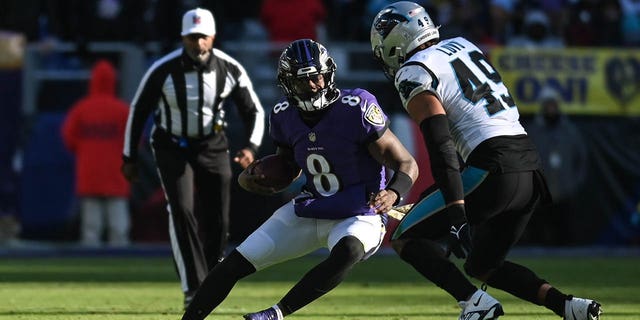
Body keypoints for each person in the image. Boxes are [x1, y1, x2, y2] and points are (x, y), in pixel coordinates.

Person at [370, 2, 602, 320]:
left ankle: (474, 302)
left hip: (492, 166)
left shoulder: (414, 70)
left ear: (397, 41)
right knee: (483, 265)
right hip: (530, 168)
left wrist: (456, 211)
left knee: (404, 238)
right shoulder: (463, 44)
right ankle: (567, 306)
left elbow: (441, 147)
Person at [181, 38, 419, 320]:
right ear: (287, 83)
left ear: (328, 73)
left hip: (360, 211)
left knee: (348, 250)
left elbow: (407, 163)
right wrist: (262, 178)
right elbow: (289, 166)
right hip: (312, 207)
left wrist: (393, 192)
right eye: (303, 80)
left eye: (317, 77)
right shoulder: (284, 115)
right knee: (234, 263)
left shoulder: (356, 107)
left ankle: (277, 313)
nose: (313, 85)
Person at [120, 7, 266, 308]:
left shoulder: (229, 68)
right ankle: (193, 286)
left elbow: (254, 110)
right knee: (181, 210)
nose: (197, 44)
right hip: (172, 146)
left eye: (202, 37)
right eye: (191, 37)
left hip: (212, 146)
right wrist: (129, 156)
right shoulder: (163, 69)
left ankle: (212, 280)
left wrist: (251, 147)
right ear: (182, 37)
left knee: (218, 216)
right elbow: (139, 109)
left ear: (212, 37)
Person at [61, 59, 131, 247]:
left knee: (91, 229)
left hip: (89, 172)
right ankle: (123, 266)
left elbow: (68, 137)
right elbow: (135, 141)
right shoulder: (122, 110)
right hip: (116, 173)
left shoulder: (81, 109)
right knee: (118, 227)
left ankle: (87, 268)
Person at [524, 86, 588, 245]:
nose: (551, 109)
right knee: (539, 233)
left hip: (565, 191)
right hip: (541, 192)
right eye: (548, 105)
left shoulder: (570, 131)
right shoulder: (533, 132)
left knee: (565, 231)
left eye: (553, 105)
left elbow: (581, 159)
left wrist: (574, 183)